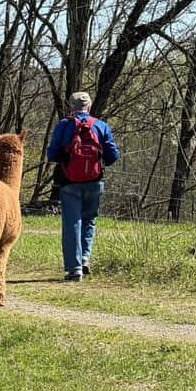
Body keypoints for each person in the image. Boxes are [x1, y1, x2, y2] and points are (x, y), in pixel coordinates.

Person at [47, 92, 120, 282]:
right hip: (95, 181)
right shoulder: (101, 125)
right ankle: (85, 257)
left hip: (69, 182)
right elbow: (113, 155)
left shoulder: (64, 125)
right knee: (89, 219)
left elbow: (52, 154)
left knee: (72, 223)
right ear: (89, 107)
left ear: (71, 106)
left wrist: (66, 158)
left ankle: (74, 269)